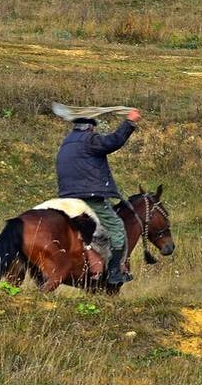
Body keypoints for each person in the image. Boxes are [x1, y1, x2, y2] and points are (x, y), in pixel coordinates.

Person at [55, 109, 142, 285]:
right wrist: (130, 122)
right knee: (117, 229)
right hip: (89, 197)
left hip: (67, 198)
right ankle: (115, 273)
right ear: (90, 128)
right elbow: (114, 141)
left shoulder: (65, 144)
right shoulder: (89, 140)